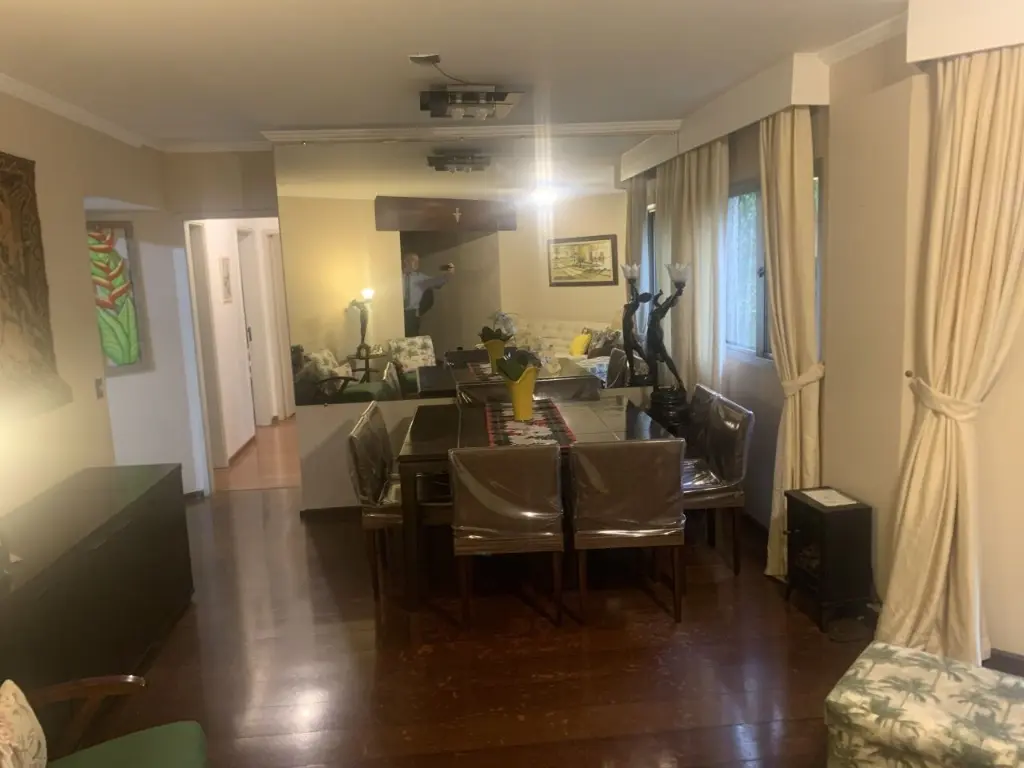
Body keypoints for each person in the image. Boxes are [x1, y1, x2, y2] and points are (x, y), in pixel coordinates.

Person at [401, 252, 454, 336]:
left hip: (412, 315)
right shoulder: (397, 276)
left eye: (418, 261)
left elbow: (437, 282)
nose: (417, 263)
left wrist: (448, 275)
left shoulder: (420, 278)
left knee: (412, 339)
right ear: (406, 261)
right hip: (396, 312)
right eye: (413, 260)